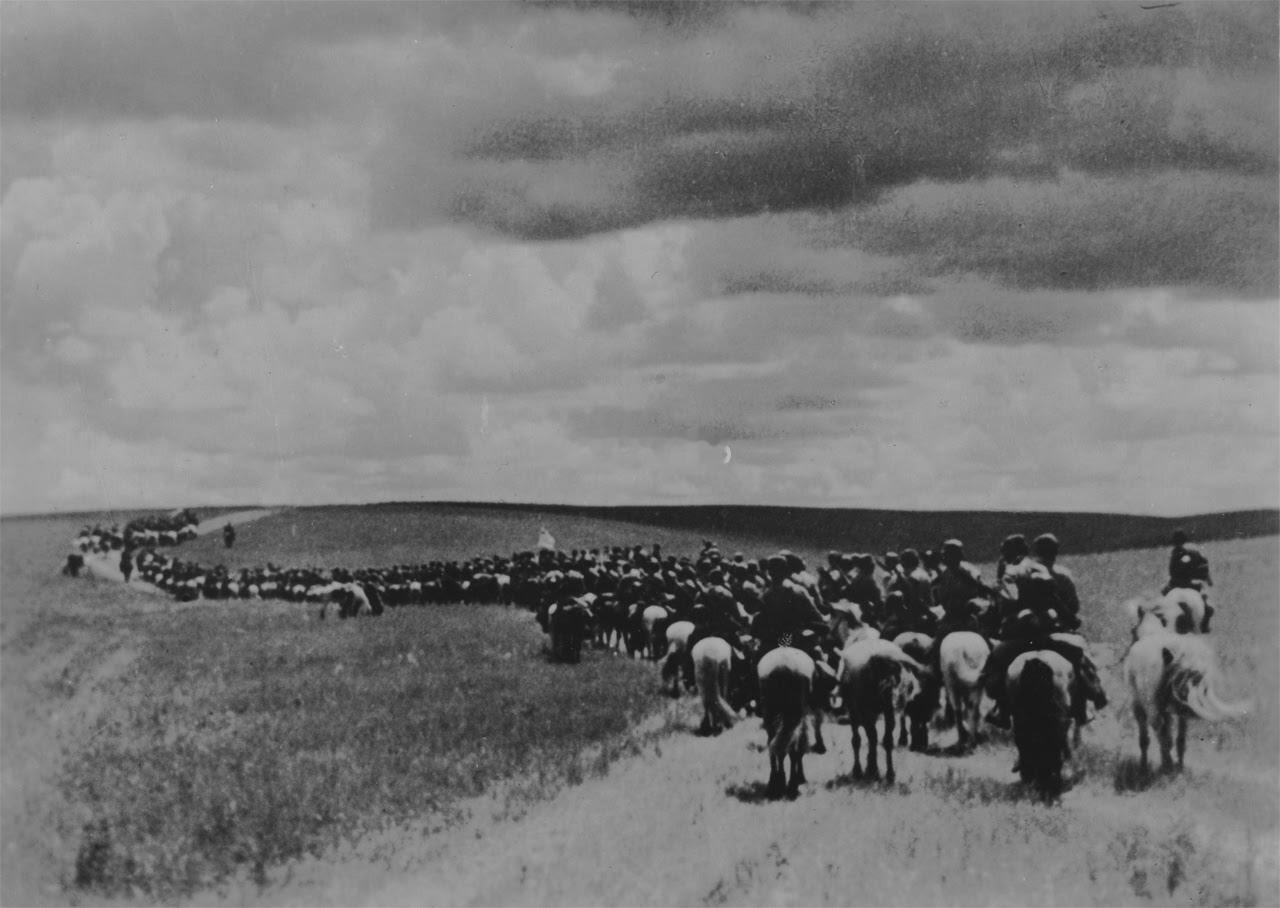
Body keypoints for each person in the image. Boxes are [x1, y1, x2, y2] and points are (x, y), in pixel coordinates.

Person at [981, 534, 1098, 730]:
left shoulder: (1010, 573)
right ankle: (1082, 707)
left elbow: (1006, 605)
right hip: (1048, 630)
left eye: (1004, 552)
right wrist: (1068, 618)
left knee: (996, 661)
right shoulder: (1041, 570)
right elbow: (1056, 600)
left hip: (1021, 634)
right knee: (1079, 657)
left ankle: (1002, 709)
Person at [1164, 530, 1213, 631]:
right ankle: (1204, 625)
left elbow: (1173, 572)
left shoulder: (1174, 554)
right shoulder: (1190, 554)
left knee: (1163, 594)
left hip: (1174, 584)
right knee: (1206, 603)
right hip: (1186, 584)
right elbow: (1198, 568)